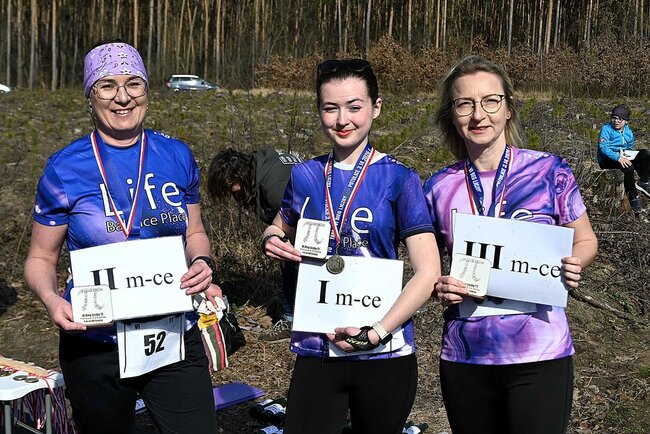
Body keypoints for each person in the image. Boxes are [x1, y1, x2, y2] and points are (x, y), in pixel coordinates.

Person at [23, 39, 219, 434]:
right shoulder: (64, 168)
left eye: (133, 83)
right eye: (107, 85)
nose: (123, 97)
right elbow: (40, 258)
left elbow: (194, 231)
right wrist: (50, 299)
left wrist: (201, 261)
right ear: (90, 95)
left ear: (147, 90)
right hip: (95, 343)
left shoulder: (177, 155)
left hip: (171, 333)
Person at [260, 58, 440, 434]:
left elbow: (428, 273)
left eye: (354, 107)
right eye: (331, 108)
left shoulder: (400, 178)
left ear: (376, 107)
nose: (343, 120)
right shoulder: (305, 175)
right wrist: (271, 239)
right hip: (318, 343)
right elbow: (278, 225)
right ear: (319, 111)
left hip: (383, 347)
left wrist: (375, 331)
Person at [423, 55, 598, 434]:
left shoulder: (549, 171)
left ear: (508, 109)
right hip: (466, 356)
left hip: (540, 352)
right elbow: (428, 269)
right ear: (451, 115)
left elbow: (585, 239)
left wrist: (576, 261)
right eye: (464, 103)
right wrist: (440, 286)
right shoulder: (438, 186)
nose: (478, 115)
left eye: (490, 101)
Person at [207, 148, 302, 342]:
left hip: (314, 226)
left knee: (290, 262)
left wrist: (285, 243)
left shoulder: (273, 187)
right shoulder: (260, 166)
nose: (232, 193)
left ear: (237, 176)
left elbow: (298, 218)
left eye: (230, 186)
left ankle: (292, 321)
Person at [596, 104, 650, 214]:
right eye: (614, 118)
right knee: (629, 167)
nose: (616, 121)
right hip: (607, 159)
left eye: (620, 119)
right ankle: (633, 197)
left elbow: (630, 147)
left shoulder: (628, 132)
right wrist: (619, 158)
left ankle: (644, 182)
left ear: (626, 121)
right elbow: (603, 148)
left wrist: (628, 156)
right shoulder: (606, 129)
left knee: (645, 154)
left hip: (622, 155)